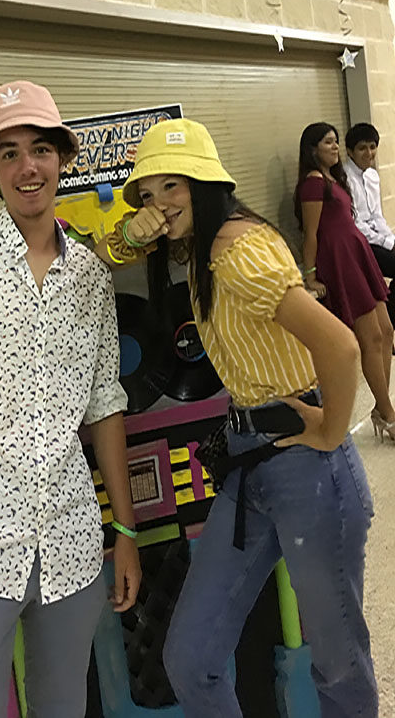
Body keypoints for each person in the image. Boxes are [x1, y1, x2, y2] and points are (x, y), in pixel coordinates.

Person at [97, 118, 378, 717]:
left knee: (338, 661)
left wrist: (330, 432)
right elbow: (105, 254)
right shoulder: (201, 247)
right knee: (190, 657)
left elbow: (342, 346)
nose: (160, 204)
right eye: (148, 193)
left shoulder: (237, 251)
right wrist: (134, 229)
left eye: (173, 187)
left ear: (205, 184)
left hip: (308, 469)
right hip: (252, 470)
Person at [0, 80, 141, 718]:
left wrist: (123, 529)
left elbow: (104, 405)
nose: (26, 166)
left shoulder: (91, 278)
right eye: (7, 153)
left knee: (63, 705)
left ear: (62, 157)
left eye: (39, 148)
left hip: (69, 544)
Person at [295, 122, 395, 442]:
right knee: (370, 338)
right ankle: (387, 413)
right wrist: (310, 277)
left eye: (336, 142)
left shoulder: (333, 179)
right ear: (312, 149)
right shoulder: (312, 184)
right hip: (340, 260)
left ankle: (382, 407)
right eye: (328, 142)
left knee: (387, 331)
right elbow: (310, 235)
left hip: (357, 254)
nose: (335, 147)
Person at [344, 122, 395, 329]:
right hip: (358, 243)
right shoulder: (344, 178)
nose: (369, 153)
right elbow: (355, 223)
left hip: (375, 238)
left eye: (372, 146)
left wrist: (390, 240)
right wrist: (385, 242)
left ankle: (389, 322)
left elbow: (377, 216)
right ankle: (390, 324)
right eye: (362, 148)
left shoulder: (372, 175)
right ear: (350, 151)